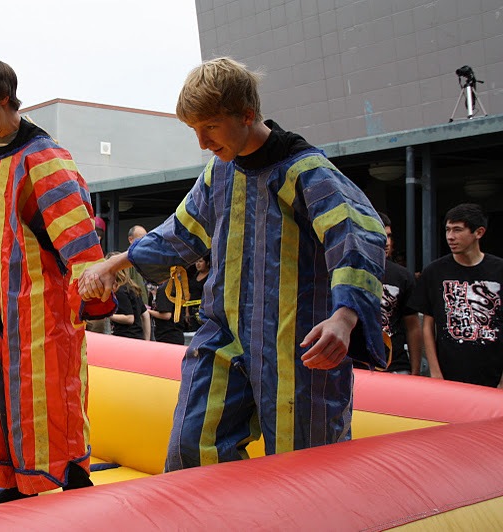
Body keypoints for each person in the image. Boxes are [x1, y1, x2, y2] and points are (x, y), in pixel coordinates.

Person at [79, 57, 387, 470]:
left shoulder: (305, 171)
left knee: (306, 463)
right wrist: (114, 263)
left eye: (210, 127)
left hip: (298, 342)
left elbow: (357, 234)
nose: (202, 142)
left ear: (246, 115)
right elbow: (181, 231)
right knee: (192, 448)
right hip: (224, 333)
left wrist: (345, 317)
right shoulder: (219, 173)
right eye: (195, 130)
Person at [0, 57, 113, 503]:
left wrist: (90, 290)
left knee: (50, 391)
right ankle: (18, 480)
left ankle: (69, 479)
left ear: (3, 98)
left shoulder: (44, 155)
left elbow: (75, 226)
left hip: (40, 302)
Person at [410, 203, 503, 388]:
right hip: (448, 375)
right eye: (448, 230)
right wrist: (435, 373)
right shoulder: (434, 272)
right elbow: (428, 325)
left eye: (458, 230)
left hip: (493, 374)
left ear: (479, 232)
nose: (450, 237)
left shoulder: (499, 269)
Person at [367, 213, 423, 375]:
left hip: (395, 365)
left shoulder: (403, 276)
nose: (387, 242)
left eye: (389, 236)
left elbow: (413, 326)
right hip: (358, 364)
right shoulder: (347, 272)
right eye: (379, 234)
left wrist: (416, 371)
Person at [110, 266, 150, 341]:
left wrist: (108, 315)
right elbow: (145, 314)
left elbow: (129, 318)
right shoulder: (132, 288)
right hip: (137, 337)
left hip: (125, 338)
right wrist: (147, 340)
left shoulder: (120, 291)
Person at [148, 280, 185, 345]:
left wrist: (148, 311)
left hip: (168, 334)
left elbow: (166, 315)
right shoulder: (174, 285)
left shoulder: (164, 289)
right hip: (175, 333)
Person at [184, 255, 210, 332]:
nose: (197, 264)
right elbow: (189, 294)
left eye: (200, 261)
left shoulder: (210, 276)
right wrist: (187, 311)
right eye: (196, 261)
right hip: (192, 310)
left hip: (205, 311)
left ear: (207, 263)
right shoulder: (194, 275)